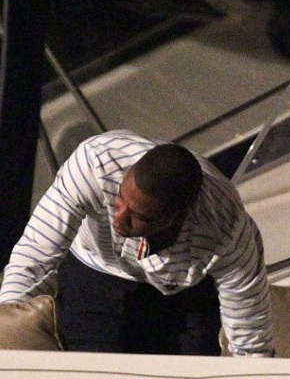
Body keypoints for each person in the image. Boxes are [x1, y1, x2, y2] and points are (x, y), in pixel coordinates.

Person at [0, 129, 274, 357]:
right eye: (119, 198)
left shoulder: (226, 225)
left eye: (139, 215)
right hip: (96, 278)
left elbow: (249, 325)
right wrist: (7, 329)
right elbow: (35, 256)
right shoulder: (94, 164)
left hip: (186, 298)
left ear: (177, 217)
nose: (118, 218)